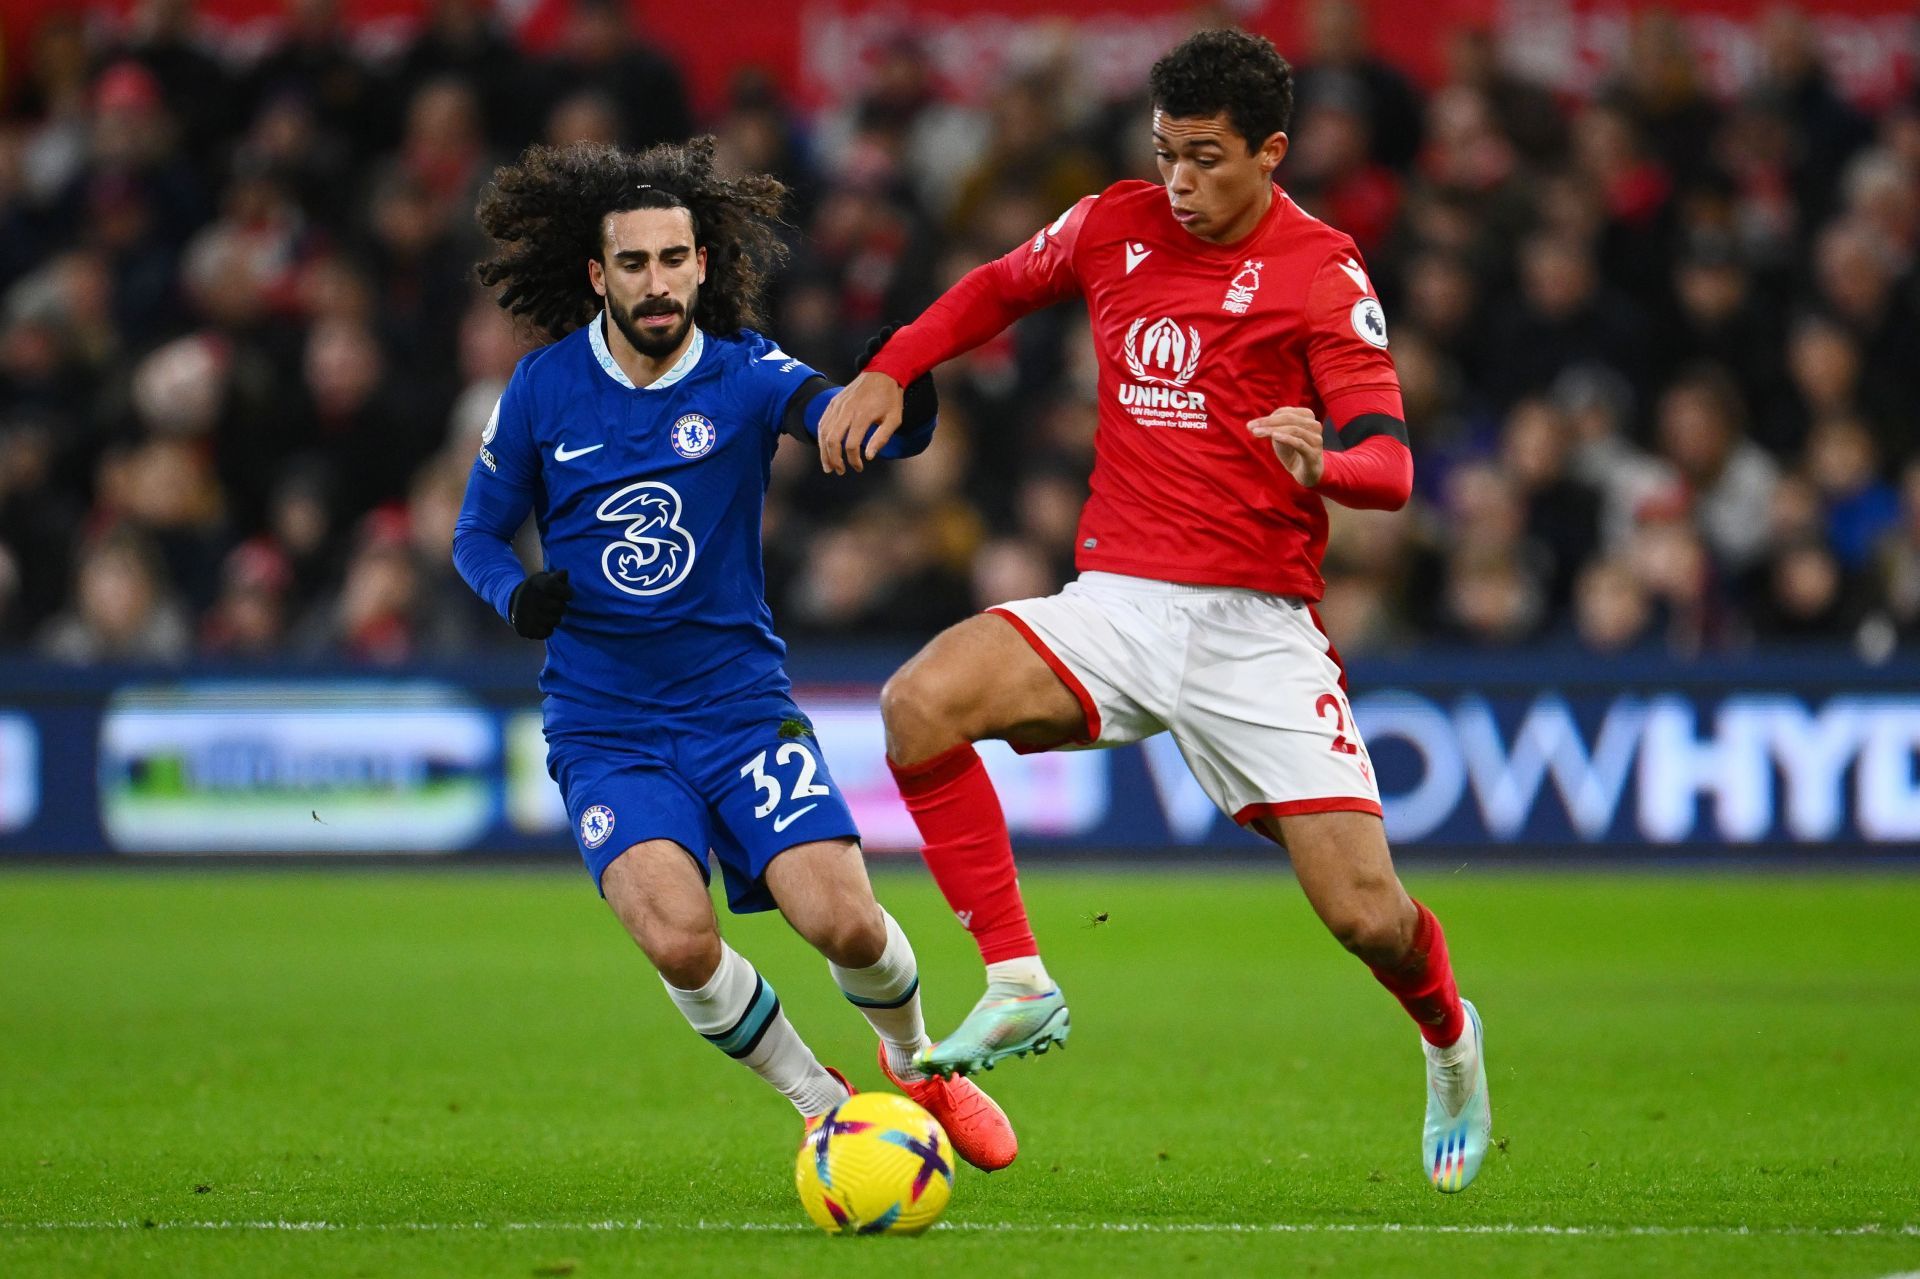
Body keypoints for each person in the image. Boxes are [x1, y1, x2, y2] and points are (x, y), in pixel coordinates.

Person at [818, 30, 1491, 1192]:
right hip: (1119, 602)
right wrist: (894, 364)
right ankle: (1021, 974)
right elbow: (996, 289)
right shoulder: (1112, 222)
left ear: (1271, 153)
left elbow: (1392, 467)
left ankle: (1450, 1038)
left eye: (1207, 159)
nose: (1179, 182)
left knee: (1367, 916)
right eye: (1166, 153)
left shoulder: (1323, 272)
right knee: (918, 704)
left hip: (1256, 630)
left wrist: (1321, 463)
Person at [451, 137, 1015, 1169]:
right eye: (634, 264)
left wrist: (904, 402)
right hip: (606, 725)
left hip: (738, 708)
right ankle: (819, 1102)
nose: (657, 283)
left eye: (675, 260)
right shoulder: (540, 390)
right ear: (597, 274)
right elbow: (475, 534)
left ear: (703, 264)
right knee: (677, 937)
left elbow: (847, 425)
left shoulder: (748, 373)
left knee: (842, 921)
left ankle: (921, 1061)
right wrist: (514, 592)